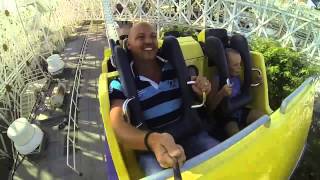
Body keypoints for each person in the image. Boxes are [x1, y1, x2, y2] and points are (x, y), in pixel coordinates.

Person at [108, 22, 219, 175]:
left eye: (153, 36)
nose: (148, 41)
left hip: (189, 133)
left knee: (220, 158)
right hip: (151, 147)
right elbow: (117, 125)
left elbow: (193, 84)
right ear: (129, 45)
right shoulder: (120, 83)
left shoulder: (173, 68)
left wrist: (202, 88)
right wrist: (152, 141)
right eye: (141, 37)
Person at [207, 48, 264, 136]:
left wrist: (255, 80)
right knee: (237, 135)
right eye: (235, 65)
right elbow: (210, 107)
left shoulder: (236, 77)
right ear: (225, 66)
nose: (239, 68)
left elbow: (241, 89)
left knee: (262, 117)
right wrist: (221, 93)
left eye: (240, 64)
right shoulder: (216, 79)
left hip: (239, 110)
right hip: (226, 116)